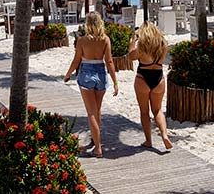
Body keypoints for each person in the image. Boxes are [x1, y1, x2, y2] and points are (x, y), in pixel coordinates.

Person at [63, 12, 118, 158]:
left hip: (86, 73)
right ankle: (95, 139)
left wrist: (68, 74)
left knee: (91, 112)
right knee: (97, 111)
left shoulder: (82, 41)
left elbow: (76, 61)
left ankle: (98, 148)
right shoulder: (105, 39)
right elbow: (109, 61)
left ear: (87, 24)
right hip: (100, 73)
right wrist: (115, 82)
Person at [128, 22, 173, 150]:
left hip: (143, 77)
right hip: (158, 78)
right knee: (158, 110)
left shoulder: (142, 47)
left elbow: (131, 57)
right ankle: (164, 135)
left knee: (144, 111)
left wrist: (132, 41)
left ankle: (148, 140)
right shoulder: (163, 46)